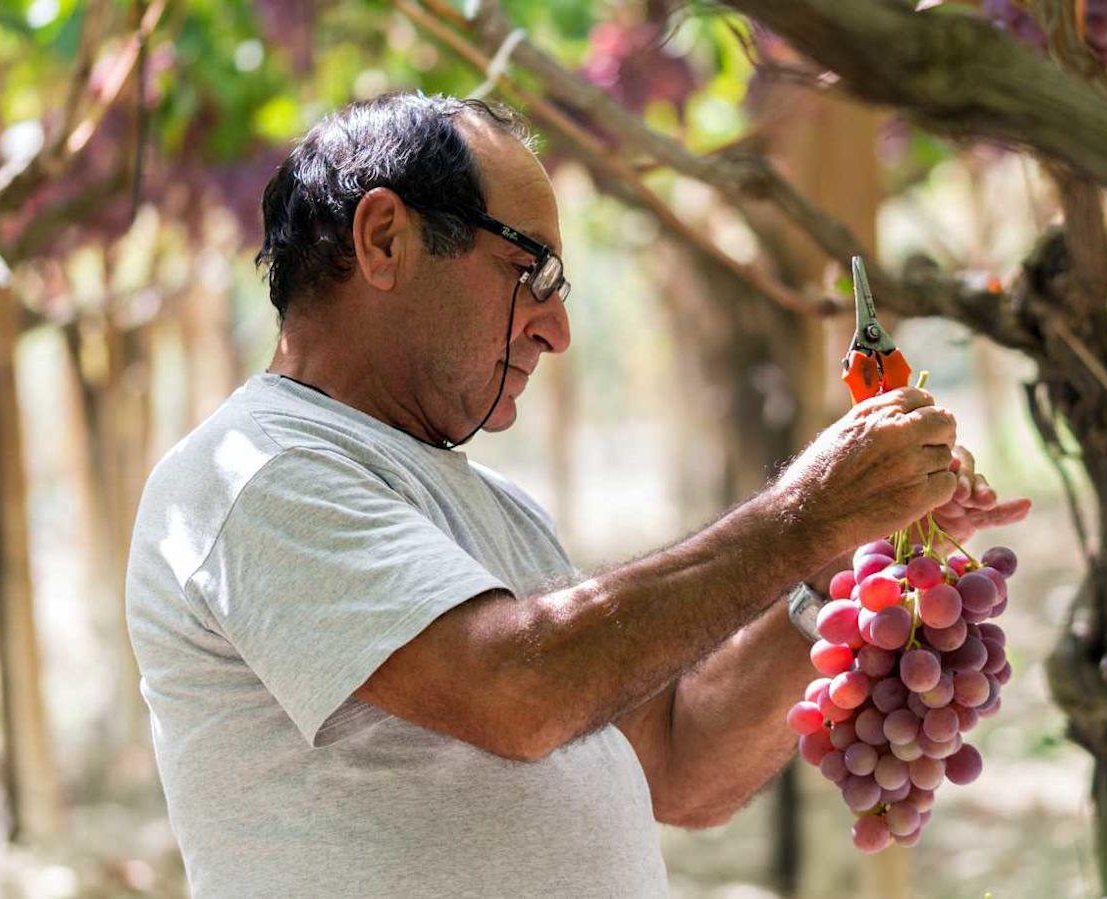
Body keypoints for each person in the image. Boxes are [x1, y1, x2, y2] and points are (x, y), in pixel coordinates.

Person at [125, 92, 1030, 898]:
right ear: (385, 240)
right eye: (534, 273)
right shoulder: (254, 478)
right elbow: (516, 690)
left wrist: (835, 566)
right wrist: (803, 514)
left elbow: (682, 767)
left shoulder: (499, 514)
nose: (557, 328)